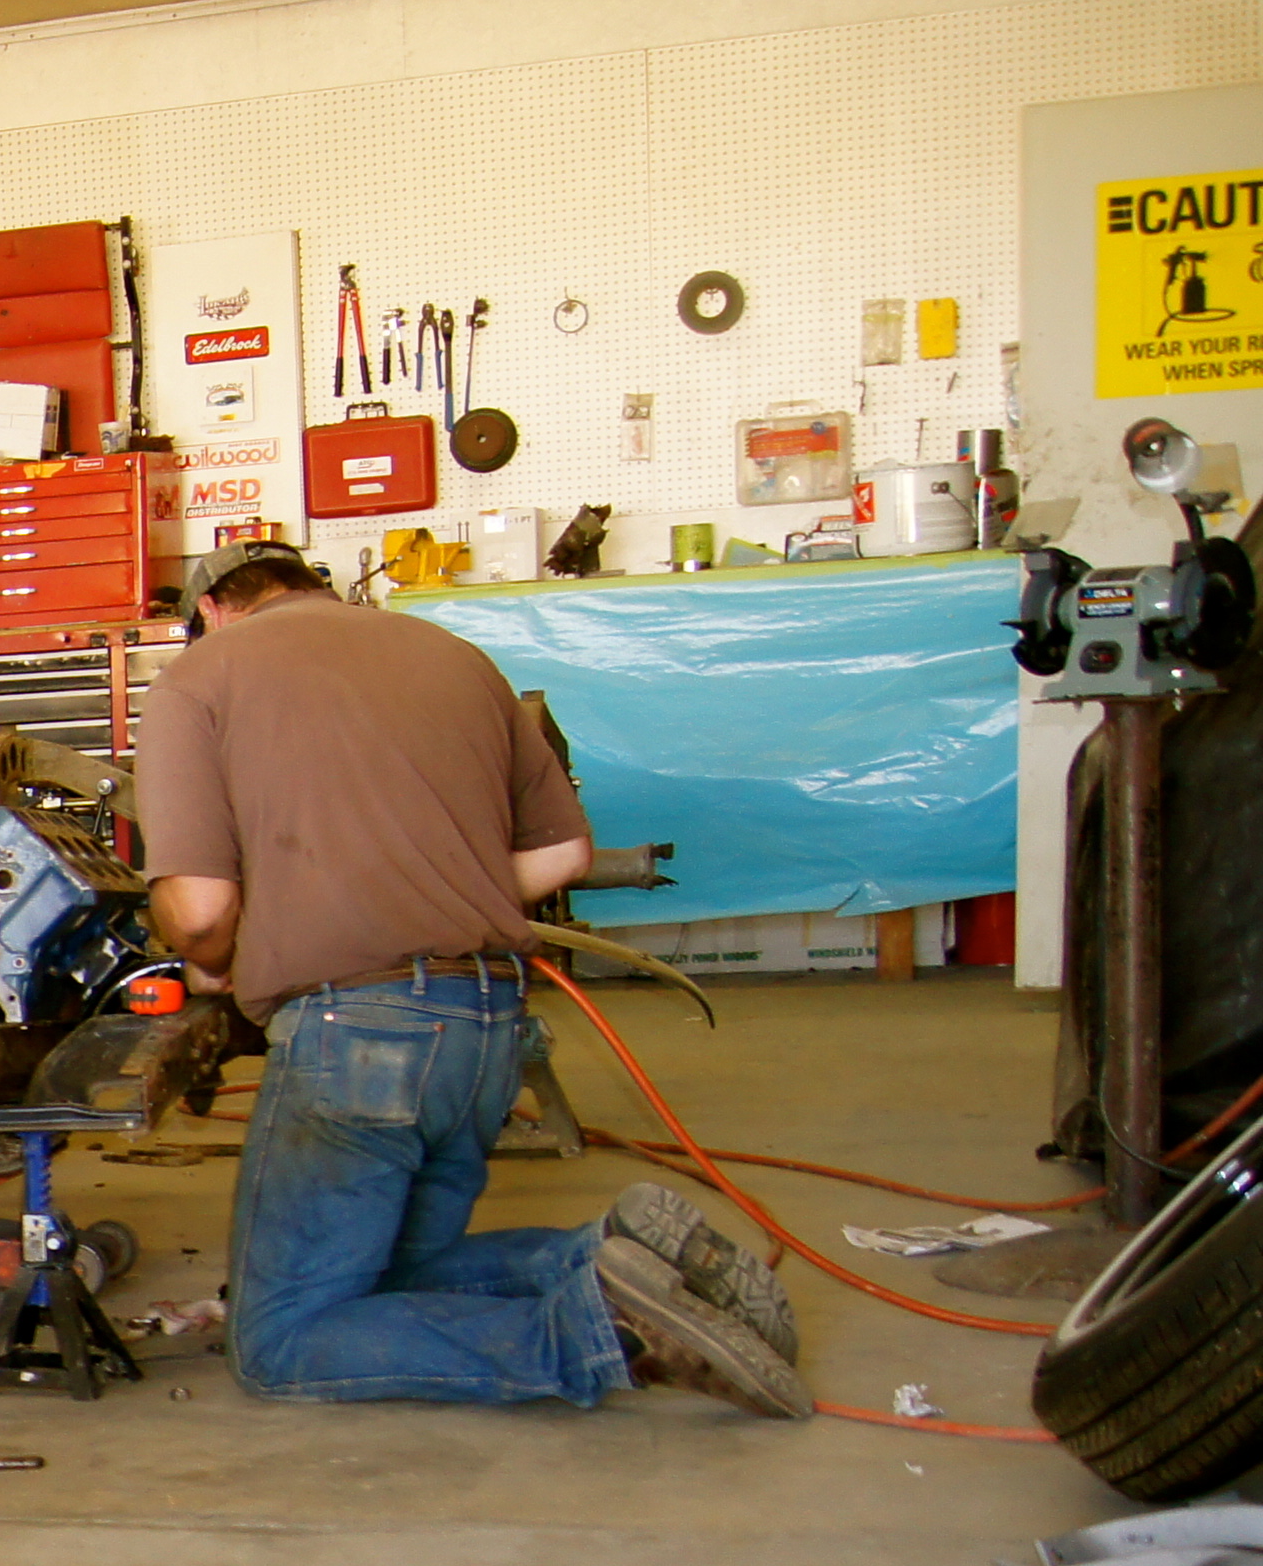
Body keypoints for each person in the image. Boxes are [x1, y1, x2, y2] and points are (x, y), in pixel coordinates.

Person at [131, 548, 805, 1415]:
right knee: (391, 1275)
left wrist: (217, 957)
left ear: (213, 609)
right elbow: (565, 855)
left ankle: (602, 1335)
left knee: (280, 1344)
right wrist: (431, 895)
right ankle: (612, 1254)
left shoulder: (201, 676)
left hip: (360, 1039)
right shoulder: (455, 656)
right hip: (487, 1025)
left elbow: (197, 912)